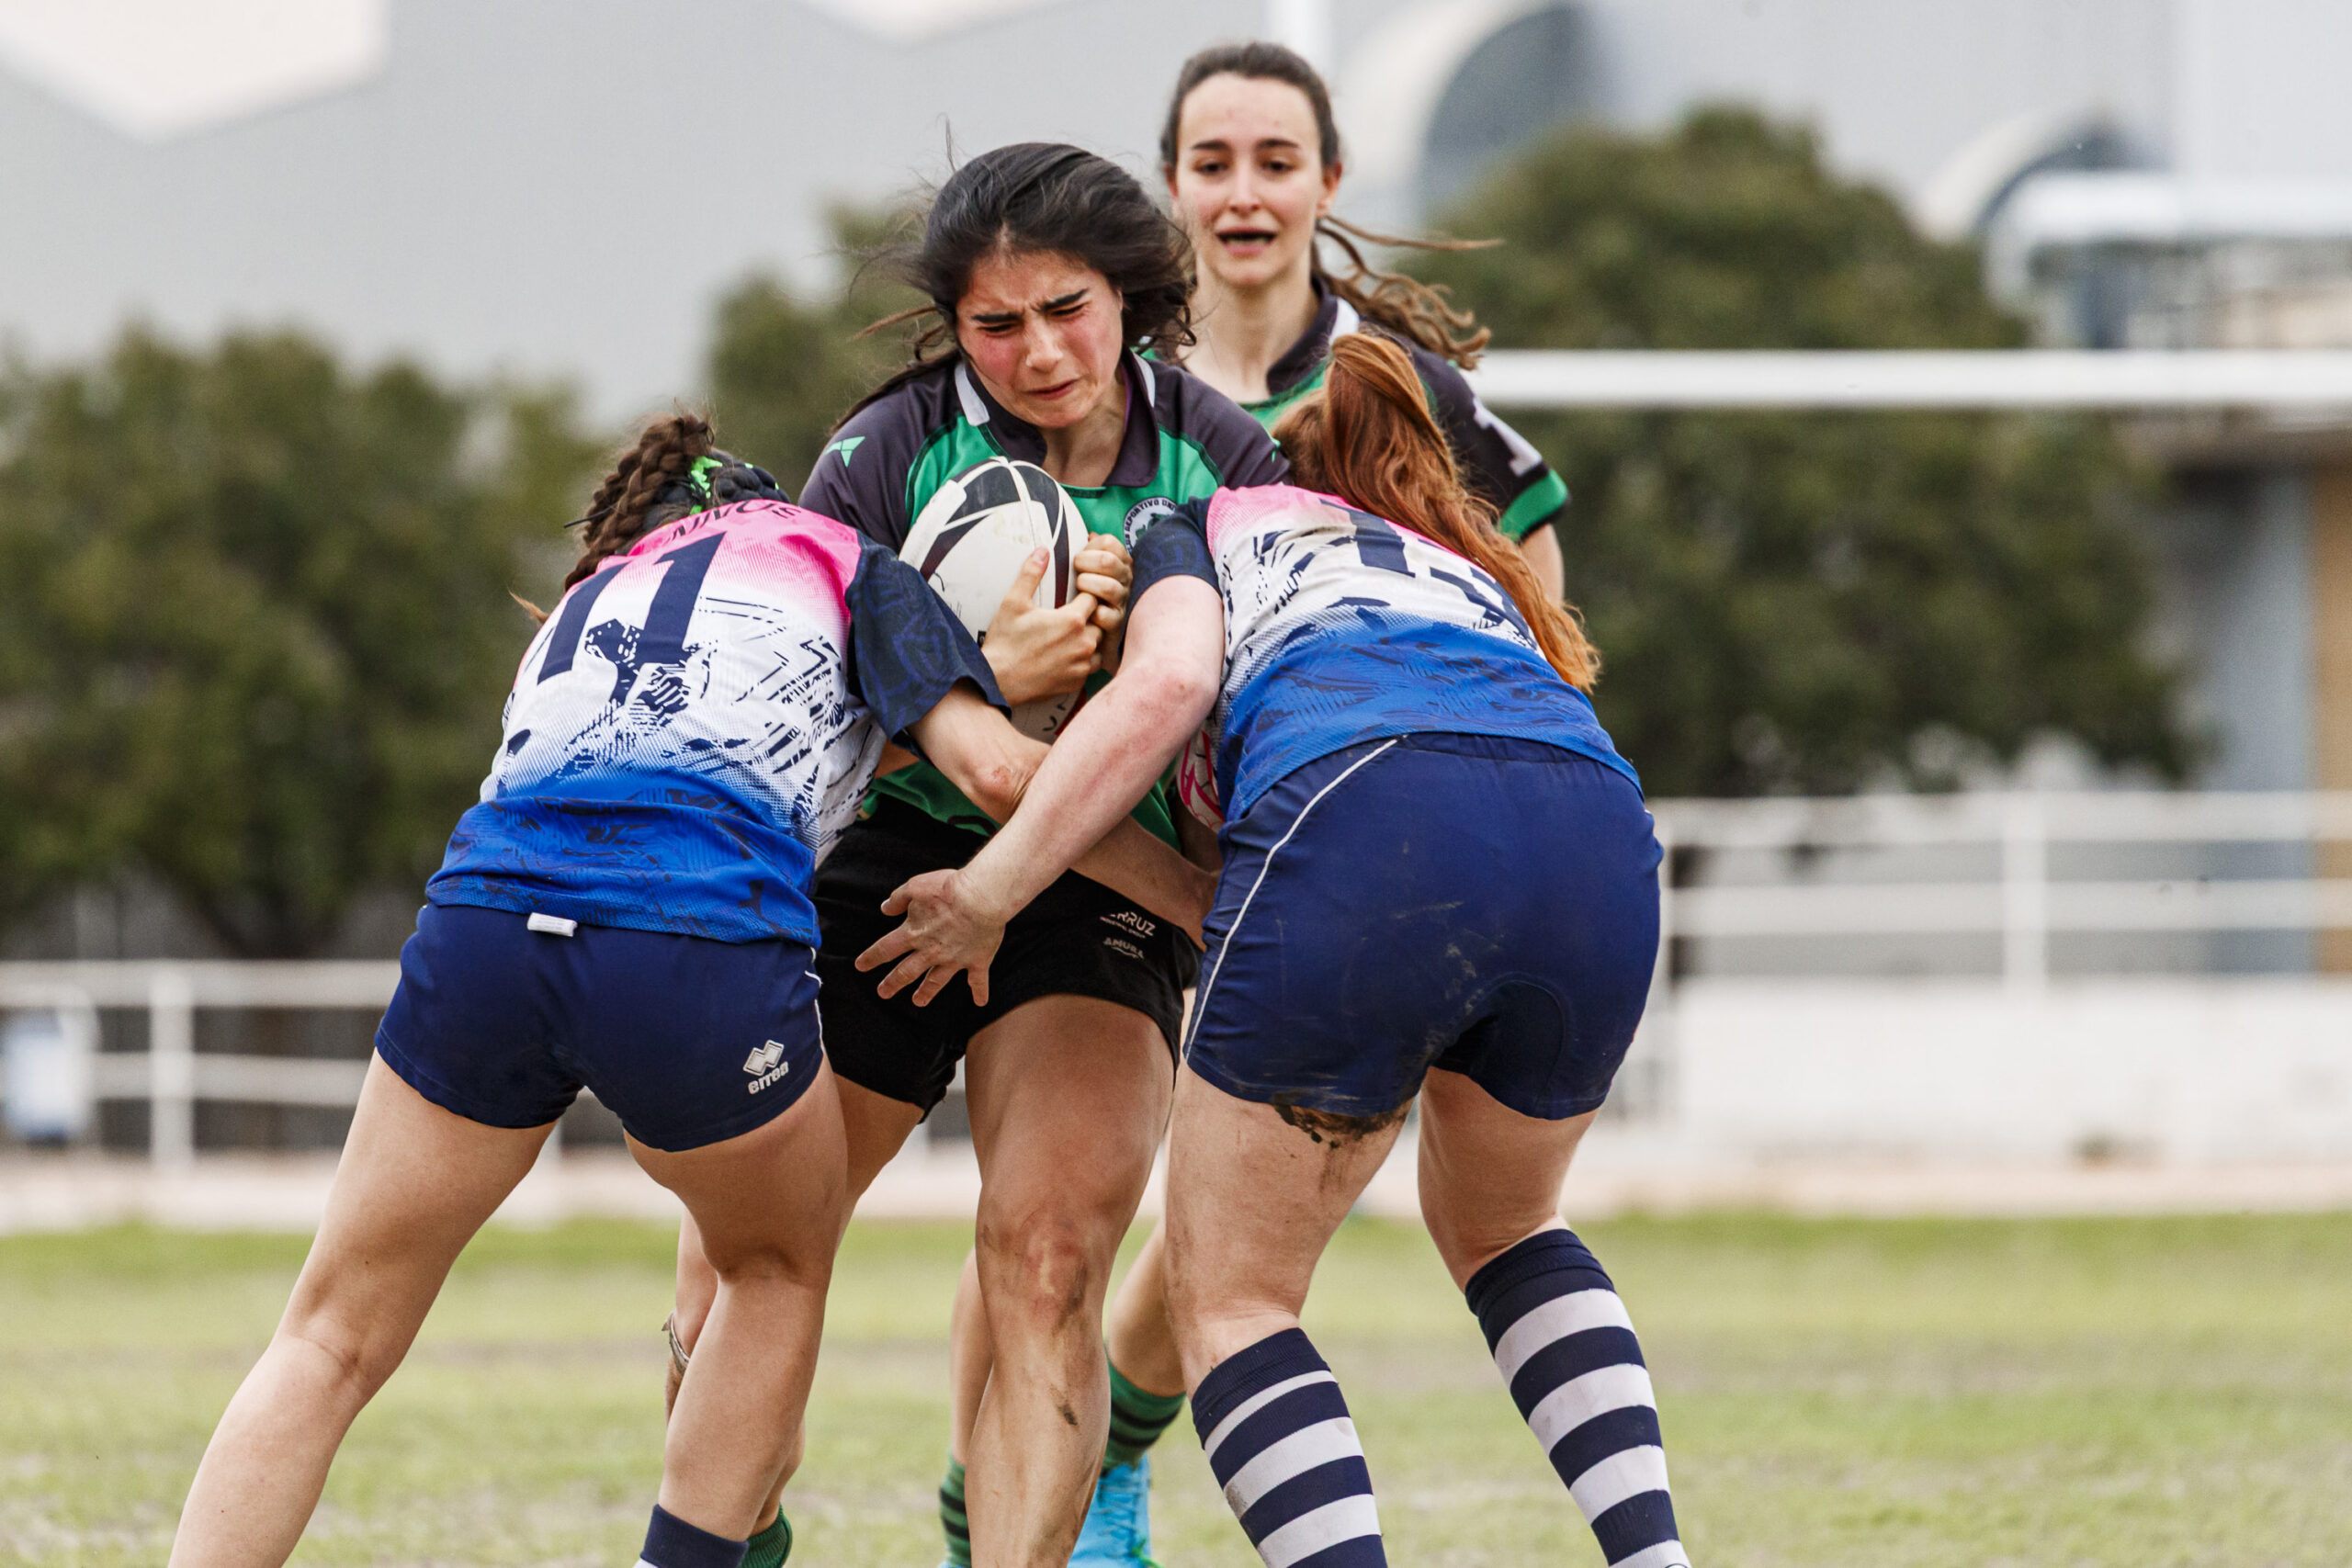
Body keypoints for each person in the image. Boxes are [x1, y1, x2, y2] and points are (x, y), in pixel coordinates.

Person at [164, 413, 1198, 1568]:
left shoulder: (588, 596)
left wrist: (970, 676)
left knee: (328, 1332)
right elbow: (1002, 777)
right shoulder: (842, 555)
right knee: (773, 1270)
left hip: (486, 923)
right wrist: (1210, 898)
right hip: (691, 933)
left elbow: (756, 730)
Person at [862, 333, 1690, 1568]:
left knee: (1233, 1295)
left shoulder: (1193, 518)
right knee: (1513, 1228)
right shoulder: (1464, 563)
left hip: (1365, 802)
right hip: (1596, 822)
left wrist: (998, 876)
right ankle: (1653, 1553)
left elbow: (1176, 724)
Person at [664, 142, 1284, 1568]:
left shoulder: (1225, 463)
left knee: (1051, 1255)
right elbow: (786, 721)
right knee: (746, 1266)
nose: (1038, 352)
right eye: (996, 324)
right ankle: (734, 1538)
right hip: (896, 856)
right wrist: (985, 680)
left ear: (1131, 293)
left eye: (1068, 307)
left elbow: (1240, 738)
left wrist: (1145, 661)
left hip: (1104, 887)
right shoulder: (883, 452)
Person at [1160, 39, 1571, 600]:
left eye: (1276, 165)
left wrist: (1528, 681)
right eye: (1212, 166)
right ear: (1173, 183)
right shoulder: (1120, 383)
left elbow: (1527, 539)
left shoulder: (1400, 381)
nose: (1244, 194)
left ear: (1328, 182)